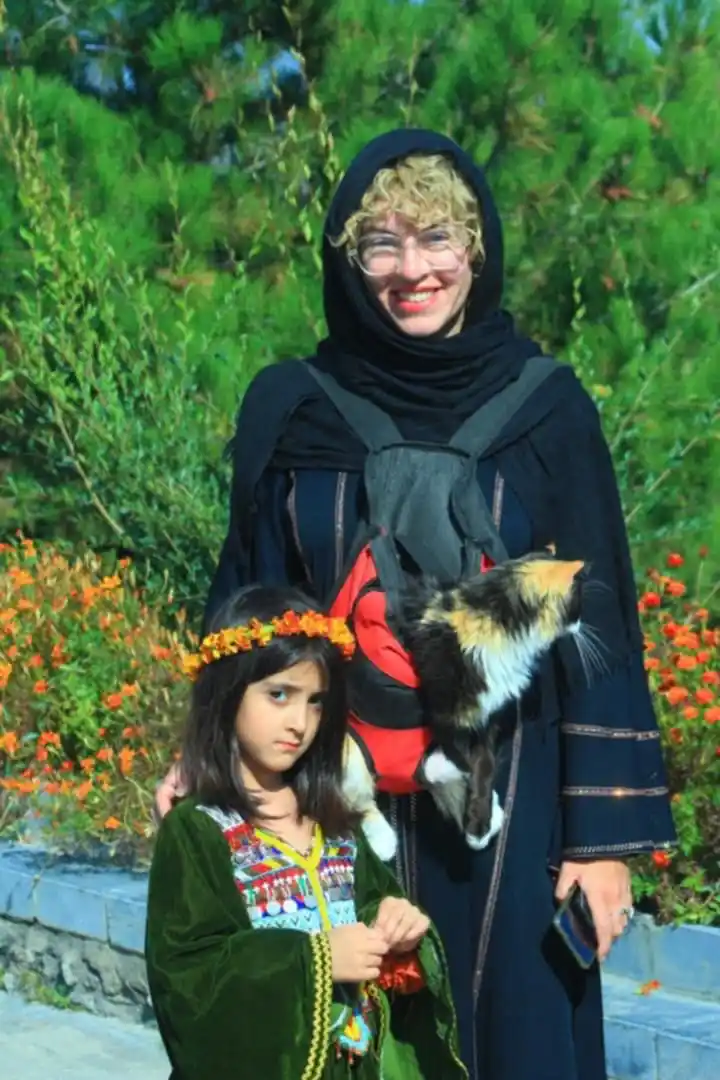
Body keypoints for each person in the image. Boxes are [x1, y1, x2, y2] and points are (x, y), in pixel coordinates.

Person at [155, 129, 676, 1080]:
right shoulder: (291, 410)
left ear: (476, 250)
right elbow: (251, 600)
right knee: (354, 1048)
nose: (412, 270)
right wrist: (207, 761)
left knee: (516, 1040)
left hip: (511, 811)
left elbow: (601, 631)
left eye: (437, 238)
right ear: (348, 261)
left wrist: (603, 845)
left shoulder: (550, 411)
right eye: (381, 244)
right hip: (328, 806)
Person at [146, 584, 467, 1080]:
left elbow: (369, 912)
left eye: (316, 702)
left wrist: (397, 926)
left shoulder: (335, 821)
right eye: (279, 695)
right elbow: (187, 979)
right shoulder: (197, 831)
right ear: (228, 692)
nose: (300, 722)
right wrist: (315, 961)